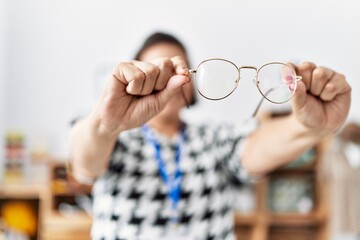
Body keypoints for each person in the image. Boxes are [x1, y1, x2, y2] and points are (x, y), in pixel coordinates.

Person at [69, 32, 351, 240]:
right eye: (156, 70)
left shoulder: (213, 138)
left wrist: (310, 128)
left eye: (177, 70)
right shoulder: (117, 138)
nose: (169, 79)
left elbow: (254, 150)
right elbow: (85, 163)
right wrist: (106, 124)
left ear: (190, 83)